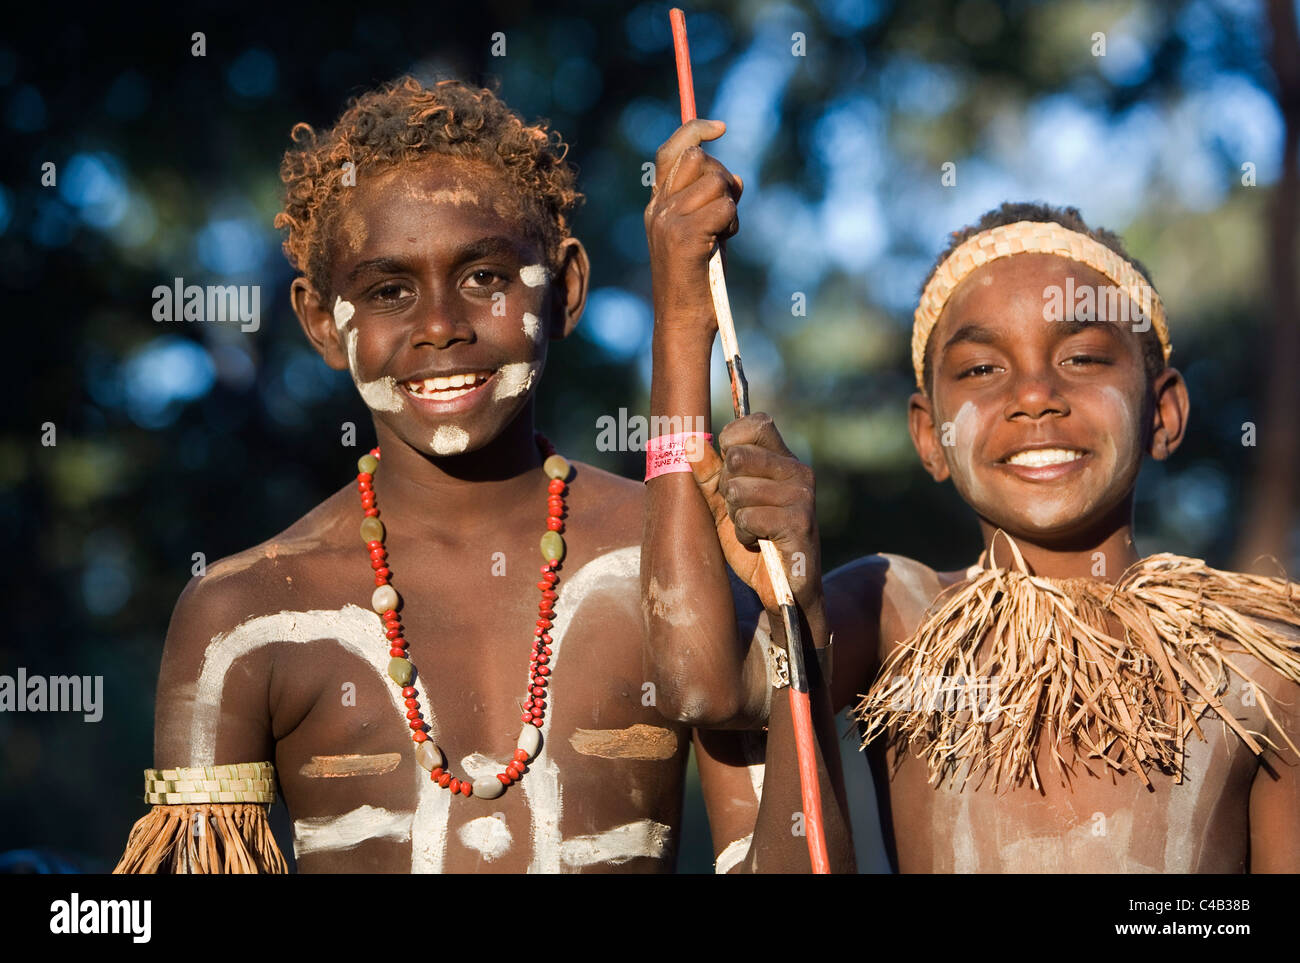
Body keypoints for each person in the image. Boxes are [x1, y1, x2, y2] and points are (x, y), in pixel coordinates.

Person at [115, 77, 771, 874]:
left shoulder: (678, 557)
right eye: (388, 291)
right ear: (324, 323)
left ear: (565, 288)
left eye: (486, 278)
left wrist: (681, 323)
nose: (438, 327)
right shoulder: (243, 616)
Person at [642, 128, 1300, 872]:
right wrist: (680, 323)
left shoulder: (1257, 656)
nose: (1034, 396)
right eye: (982, 368)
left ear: (1164, 412)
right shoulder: (897, 612)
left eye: (1082, 357)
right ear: (929, 437)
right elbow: (698, 682)